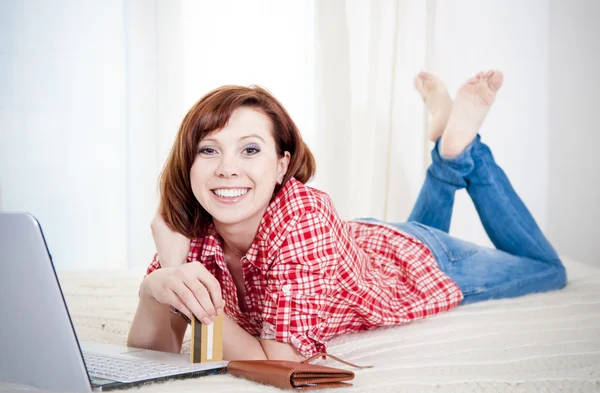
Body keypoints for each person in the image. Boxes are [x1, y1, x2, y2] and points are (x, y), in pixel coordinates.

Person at [127, 70, 567, 362]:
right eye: (209, 150)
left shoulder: (303, 214)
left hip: (423, 262)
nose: (226, 168)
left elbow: (280, 361)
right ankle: (446, 152)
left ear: (281, 164)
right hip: (365, 243)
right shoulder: (189, 228)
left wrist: (177, 275)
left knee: (548, 270)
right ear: (190, 163)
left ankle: (462, 151)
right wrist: (159, 284)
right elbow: (152, 352)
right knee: (420, 231)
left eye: (250, 149)